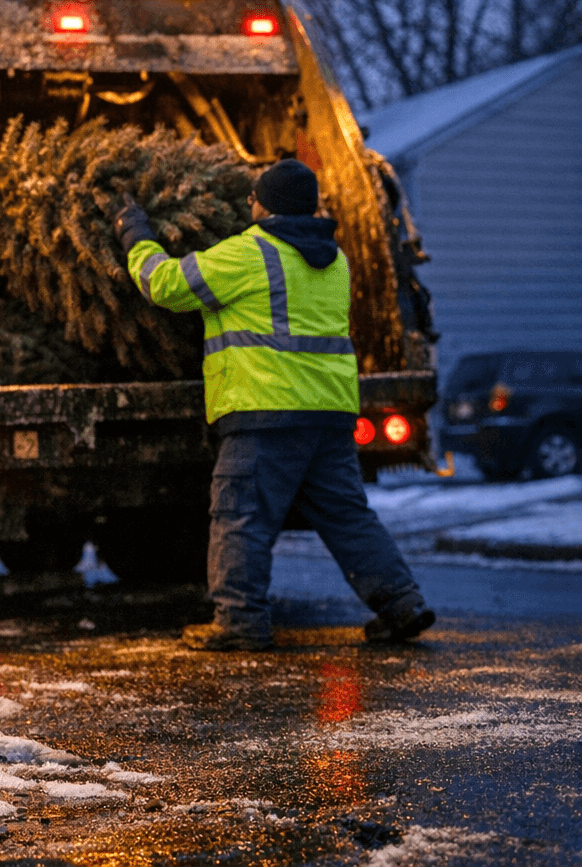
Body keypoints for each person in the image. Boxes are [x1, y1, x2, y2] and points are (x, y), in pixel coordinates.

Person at [115, 159, 435, 651]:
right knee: (348, 516)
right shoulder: (336, 259)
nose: (248, 203)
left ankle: (239, 621)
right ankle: (402, 604)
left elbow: (166, 284)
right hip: (328, 413)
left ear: (266, 205)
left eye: (254, 196)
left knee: (239, 515)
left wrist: (136, 235)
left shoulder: (250, 254)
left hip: (264, 412)